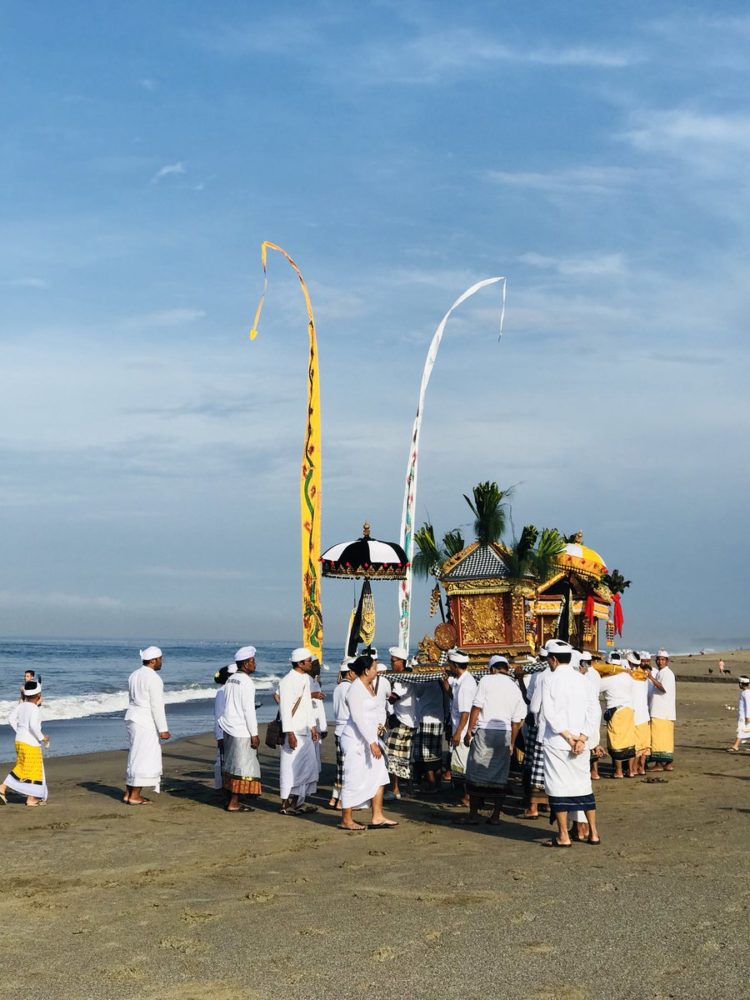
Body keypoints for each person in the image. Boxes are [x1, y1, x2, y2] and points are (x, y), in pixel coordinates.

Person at [540, 641, 600, 847]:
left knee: (558, 787)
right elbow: (595, 711)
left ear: (553, 659)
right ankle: (593, 832)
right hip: (580, 743)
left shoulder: (549, 679)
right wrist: (583, 737)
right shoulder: (583, 680)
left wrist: (568, 736)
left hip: (558, 741)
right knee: (583, 784)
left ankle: (564, 835)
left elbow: (548, 712)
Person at [458, 655, 526, 826]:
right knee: (500, 775)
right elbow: (517, 721)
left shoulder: (486, 680)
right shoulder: (515, 687)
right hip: (505, 733)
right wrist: (512, 742)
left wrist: (469, 731)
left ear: (493, 669)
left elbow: (476, 707)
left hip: (485, 730)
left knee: (474, 772)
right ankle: (495, 815)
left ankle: (473, 814)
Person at [338, 654, 396, 831]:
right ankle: (346, 819)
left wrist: (379, 731)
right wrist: (372, 742)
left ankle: (377, 815)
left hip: (372, 738)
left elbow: (376, 710)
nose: (377, 670)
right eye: (374, 667)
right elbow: (358, 719)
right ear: (366, 670)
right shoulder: (355, 689)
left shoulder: (370, 685)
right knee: (352, 777)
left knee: (379, 774)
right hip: (356, 740)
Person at [123, 646, 170, 805]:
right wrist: (163, 729)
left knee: (134, 754)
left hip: (132, 716)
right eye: (160, 659)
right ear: (153, 660)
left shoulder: (134, 674)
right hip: (145, 719)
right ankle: (135, 795)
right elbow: (157, 705)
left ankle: (128, 793)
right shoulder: (153, 678)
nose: (161, 662)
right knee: (144, 756)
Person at [219, 647, 261, 812]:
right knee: (242, 767)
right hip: (241, 729)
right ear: (245, 663)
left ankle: (231, 798)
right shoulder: (246, 682)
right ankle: (234, 802)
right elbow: (248, 710)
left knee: (231, 765)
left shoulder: (231, 680)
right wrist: (254, 734)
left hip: (228, 727)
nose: (254, 664)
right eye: (252, 661)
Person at [278, 647, 319, 815]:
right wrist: (290, 733)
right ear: (300, 663)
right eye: (309, 661)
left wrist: (313, 726)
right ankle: (285, 805)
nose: (311, 664)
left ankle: (297, 803)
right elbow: (285, 708)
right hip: (294, 732)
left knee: (307, 768)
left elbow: (307, 706)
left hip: (306, 732)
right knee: (289, 769)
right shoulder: (287, 681)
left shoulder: (306, 679)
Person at [0, 679, 49, 807]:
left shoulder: (21, 706)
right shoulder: (34, 709)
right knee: (34, 770)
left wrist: (20, 731)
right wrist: (42, 737)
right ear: (39, 695)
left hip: (19, 741)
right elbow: (33, 725)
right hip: (30, 743)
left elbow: (11, 718)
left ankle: (5, 789)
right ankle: (30, 798)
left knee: (22, 766)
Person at [444, 649, 477, 805]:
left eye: (450, 664)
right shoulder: (461, 681)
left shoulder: (466, 684)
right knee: (461, 764)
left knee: (463, 765)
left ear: (455, 665)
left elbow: (465, 712)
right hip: (460, 727)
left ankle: (468, 796)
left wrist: (458, 733)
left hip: (463, 730)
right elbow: (455, 700)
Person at [521, 650, 550, 818]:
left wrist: (519, 680)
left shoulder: (539, 675)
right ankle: (550, 805)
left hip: (540, 726)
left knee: (536, 766)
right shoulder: (573, 677)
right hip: (561, 731)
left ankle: (533, 807)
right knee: (551, 767)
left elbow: (531, 703)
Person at [385, 647, 416, 800]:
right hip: (408, 720)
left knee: (392, 756)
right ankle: (408, 789)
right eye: (391, 661)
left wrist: (380, 692)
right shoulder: (407, 675)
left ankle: (395, 789)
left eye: (394, 661)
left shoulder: (402, 678)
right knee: (406, 757)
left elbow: (393, 697)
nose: (391, 663)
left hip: (402, 721)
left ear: (401, 662)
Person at [599, 654, 636, 778]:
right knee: (629, 741)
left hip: (617, 711)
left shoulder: (608, 680)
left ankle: (619, 771)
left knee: (617, 742)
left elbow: (595, 687)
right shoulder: (627, 676)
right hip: (629, 710)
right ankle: (631, 770)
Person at [328, 657, 355, 808]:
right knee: (348, 768)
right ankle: (341, 800)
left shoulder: (338, 687)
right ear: (350, 672)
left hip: (339, 729)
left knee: (341, 767)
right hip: (347, 730)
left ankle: (334, 797)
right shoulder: (350, 688)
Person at [414, 676, 446, 793]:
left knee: (425, 756)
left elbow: (417, 692)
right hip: (439, 718)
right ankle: (437, 784)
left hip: (425, 719)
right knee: (436, 754)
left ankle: (432, 785)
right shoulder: (439, 680)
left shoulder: (424, 680)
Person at [648, 649, 677, 771]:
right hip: (663, 711)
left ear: (667, 661)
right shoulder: (662, 673)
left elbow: (662, 688)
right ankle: (668, 763)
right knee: (666, 738)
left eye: (662, 659)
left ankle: (660, 764)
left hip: (661, 711)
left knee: (659, 738)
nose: (660, 662)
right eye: (658, 659)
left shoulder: (667, 673)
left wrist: (651, 678)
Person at [213, 663, 236, 793]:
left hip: (231, 730)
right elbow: (219, 714)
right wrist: (219, 735)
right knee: (221, 759)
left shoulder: (230, 690)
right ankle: (220, 786)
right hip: (224, 731)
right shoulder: (222, 692)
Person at [628, 652, 651, 775]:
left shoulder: (630, 676)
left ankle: (632, 769)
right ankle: (641, 768)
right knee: (644, 744)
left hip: (635, 714)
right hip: (644, 713)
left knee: (635, 745)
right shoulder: (644, 676)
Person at [309, 658, 328, 779]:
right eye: (316, 666)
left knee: (316, 753)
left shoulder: (315, 682)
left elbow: (320, 707)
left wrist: (324, 727)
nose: (319, 669)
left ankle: (314, 779)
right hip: (310, 724)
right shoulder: (305, 681)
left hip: (318, 724)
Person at [727, 676, 750, 752]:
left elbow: (748, 705)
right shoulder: (745, 692)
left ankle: (735, 746)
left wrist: (747, 716)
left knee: (741, 730)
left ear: (741, 683)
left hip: (744, 717)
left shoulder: (746, 693)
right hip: (743, 716)